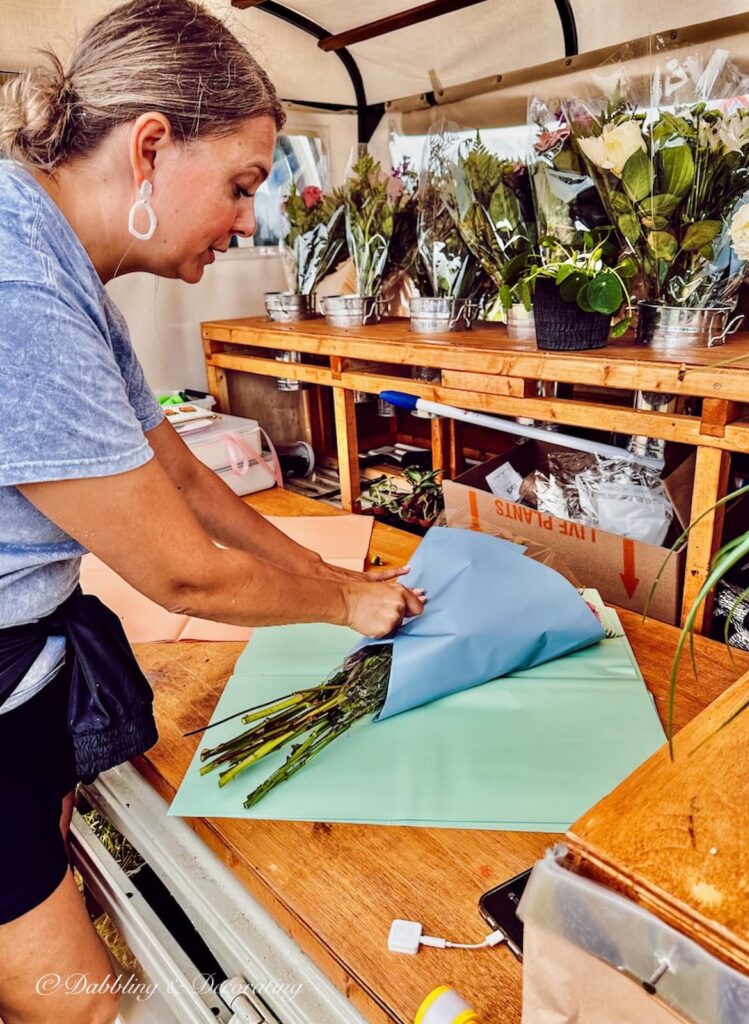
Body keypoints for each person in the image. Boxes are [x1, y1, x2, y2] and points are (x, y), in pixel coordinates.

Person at [0, 2, 424, 1021]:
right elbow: (178, 569)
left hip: (26, 670)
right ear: (149, 146)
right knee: (80, 1003)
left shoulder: (59, 259)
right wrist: (341, 611)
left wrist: (344, 583)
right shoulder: (17, 277)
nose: (245, 221)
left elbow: (186, 479)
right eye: (239, 186)